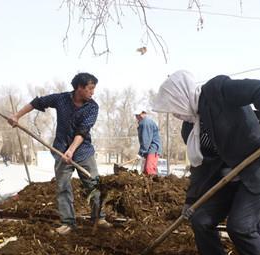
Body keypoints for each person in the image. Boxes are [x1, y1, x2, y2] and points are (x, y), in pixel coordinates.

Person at [153, 70, 260, 255]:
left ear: (181, 97)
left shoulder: (217, 91)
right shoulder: (190, 128)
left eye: (173, 107)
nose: (175, 114)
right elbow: (201, 168)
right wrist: (191, 202)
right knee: (200, 219)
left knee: (241, 226)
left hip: (258, 170)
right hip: (229, 179)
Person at [8, 72, 111, 235]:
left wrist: (71, 151)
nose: (93, 92)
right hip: (61, 149)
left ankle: (99, 217)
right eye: (90, 89)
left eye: (93, 89)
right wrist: (16, 116)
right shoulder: (61, 99)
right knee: (63, 186)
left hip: (83, 152)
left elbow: (82, 131)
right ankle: (68, 223)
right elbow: (37, 102)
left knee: (93, 185)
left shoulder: (92, 107)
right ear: (79, 87)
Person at [134, 110, 162, 175]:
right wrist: (141, 152)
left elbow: (146, 140)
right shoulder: (144, 122)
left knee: (149, 169)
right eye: (136, 115)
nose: (136, 117)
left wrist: (141, 153)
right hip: (149, 149)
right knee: (145, 171)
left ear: (142, 114)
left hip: (153, 148)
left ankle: (154, 184)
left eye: (137, 115)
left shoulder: (146, 123)